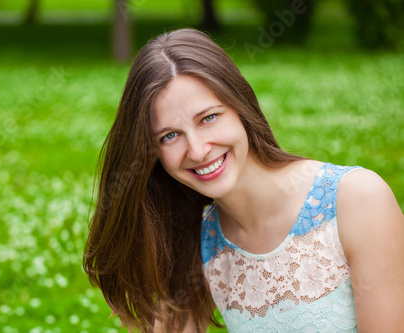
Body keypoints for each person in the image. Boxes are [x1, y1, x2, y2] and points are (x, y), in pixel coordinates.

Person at [83, 28, 404, 332]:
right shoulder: (193, 238)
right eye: (169, 136)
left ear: (241, 106)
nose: (197, 150)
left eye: (208, 118)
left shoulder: (357, 201)